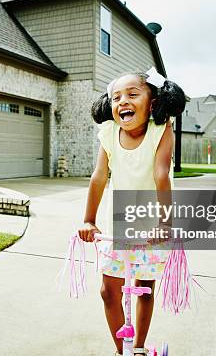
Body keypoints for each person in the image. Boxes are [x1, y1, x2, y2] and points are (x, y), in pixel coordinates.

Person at [78, 67, 186, 356]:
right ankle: (121, 351)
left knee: (143, 286)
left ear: (151, 104)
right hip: (118, 221)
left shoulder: (160, 129)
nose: (122, 101)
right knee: (108, 291)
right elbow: (99, 176)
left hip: (152, 221)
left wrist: (165, 224)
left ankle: (137, 348)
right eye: (116, 98)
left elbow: (162, 175)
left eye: (132, 94)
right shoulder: (110, 133)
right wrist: (89, 220)